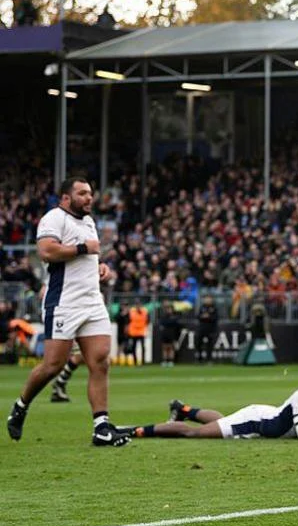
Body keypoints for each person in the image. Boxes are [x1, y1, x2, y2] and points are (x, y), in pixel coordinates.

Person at [6, 177, 130, 447]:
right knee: (53, 365)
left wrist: (100, 268)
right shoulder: (54, 218)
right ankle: (20, 406)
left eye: (90, 193)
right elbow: (47, 251)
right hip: (64, 302)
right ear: (65, 198)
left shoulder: (88, 221)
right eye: (82, 193)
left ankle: (102, 428)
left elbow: (87, 257)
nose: (89, 198)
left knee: (100, 361)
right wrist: (85, 249)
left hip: (92, 301)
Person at [127, 370, 298, 441]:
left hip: (263, 417)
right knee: (195, 434)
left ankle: (185, 410)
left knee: (221, 420)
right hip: (255, 423)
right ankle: (136, 430)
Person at [158, 301, 182, 367]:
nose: (168, 310)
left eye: (170, 308)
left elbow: (176, 323)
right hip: (165, 334)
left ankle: (171, 361)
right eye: (167, 309)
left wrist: (169, 322)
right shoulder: (163, 316)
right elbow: (163, 322)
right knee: (164, 347)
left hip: (172, 333)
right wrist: (170, 322)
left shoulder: (175, 316)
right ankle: (165, 360)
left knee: (171, 347)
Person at [196, 295, 218, 364]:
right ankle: (200, 359)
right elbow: (198, 316)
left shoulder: (214, 308)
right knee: (199, 344)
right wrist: (203, 316)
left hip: (210, 329)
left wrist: (208, 317)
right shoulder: (202, 307)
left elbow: (215, 318)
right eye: (206, 299)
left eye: (209, 299)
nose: (207, 300)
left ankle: (209, 360)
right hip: (202, 329)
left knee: (210, 345)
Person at [127, 299, 149, 365]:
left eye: (139, 304)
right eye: (137, 304)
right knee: (134, 347)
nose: (138, 306)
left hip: (141, 332)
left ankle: (143, 361)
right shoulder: (131, 311)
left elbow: (147, 320)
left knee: (143, 347)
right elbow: (128, 320)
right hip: (133, 332)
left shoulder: (144, 311)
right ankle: (135, 361)